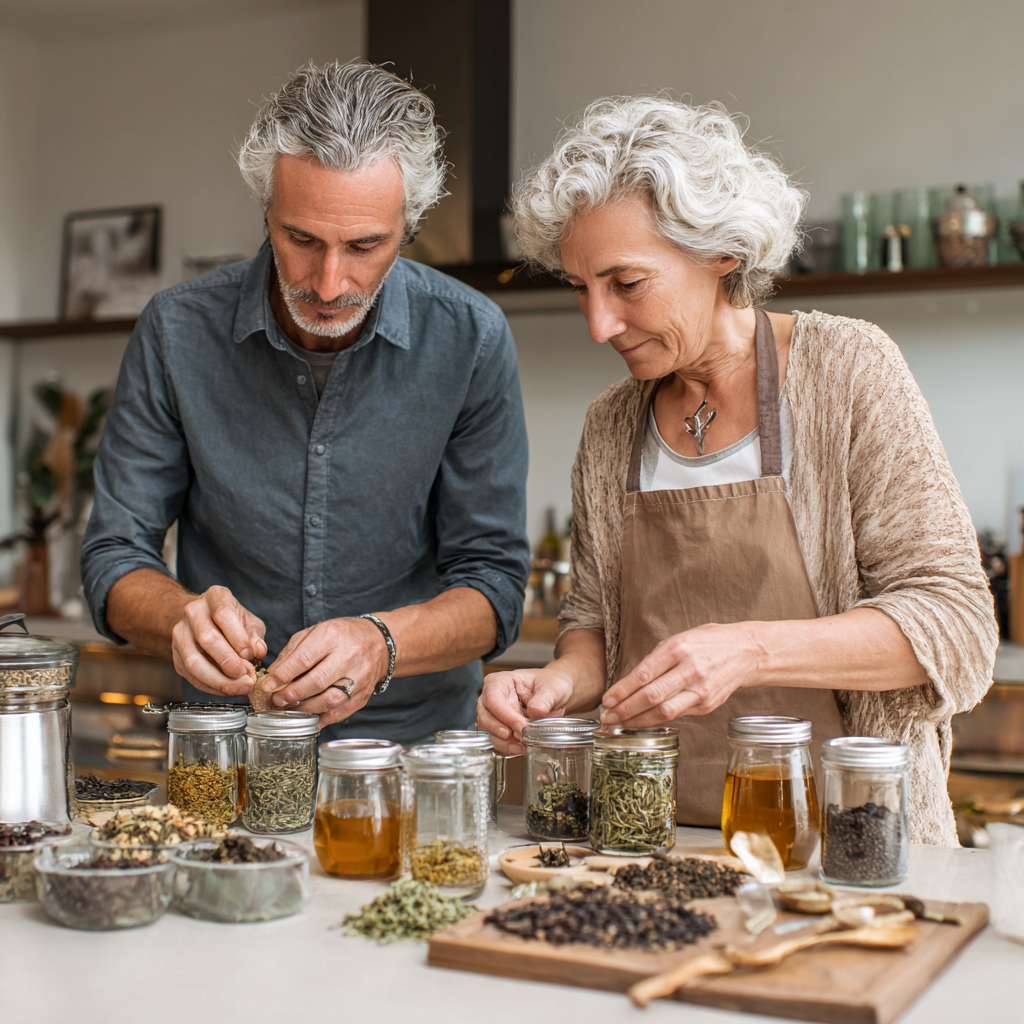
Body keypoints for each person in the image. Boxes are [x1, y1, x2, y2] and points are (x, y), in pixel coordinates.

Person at [477, 97, 996, 843]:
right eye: (580, 289)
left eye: (626, 284)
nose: (599, 325)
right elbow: (592, 620)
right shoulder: (610, 424)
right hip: (652, 841)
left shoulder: (848, 370)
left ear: (722, 252)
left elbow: (958, 626)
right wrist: (558, 684)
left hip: (851, 849)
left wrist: (747, 649)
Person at [81, 61, 531, 745]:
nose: (328, 281)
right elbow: (115, 554)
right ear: (266, 209)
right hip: (226, 747)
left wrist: (383, 642)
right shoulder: (176, 331)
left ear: (408, 224)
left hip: (413, 752)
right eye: (301, 240)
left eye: (364, 246)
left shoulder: (470, 338)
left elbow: (494, 586)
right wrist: (182, 616)